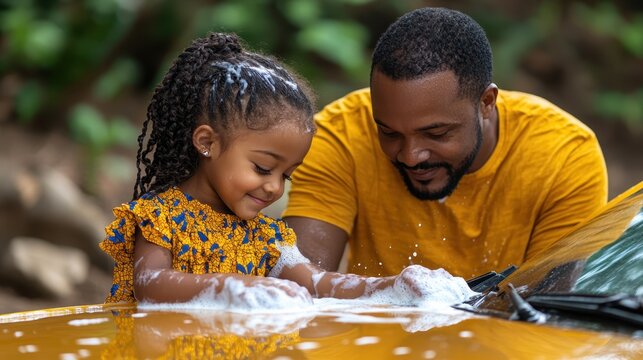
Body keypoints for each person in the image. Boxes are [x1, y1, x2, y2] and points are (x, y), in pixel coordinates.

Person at [99, 32, 475, 307]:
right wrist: (234, 289)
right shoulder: (162, 216)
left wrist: (391, 286)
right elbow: (151, 284)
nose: (274, 188)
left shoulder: (265, 238)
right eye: (263, 167)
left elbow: (317, 281)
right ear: (207, 142)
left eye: (286, 175)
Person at [283, 7, 608, 279]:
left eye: (436, 134)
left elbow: (549, 315)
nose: (410, 156)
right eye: (389, 133)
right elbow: (300, 282)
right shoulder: (342, 133)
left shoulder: (564, 155)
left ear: (486, 103)